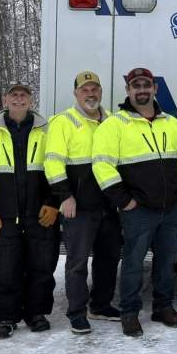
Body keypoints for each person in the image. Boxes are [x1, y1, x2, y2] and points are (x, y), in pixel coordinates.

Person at [92, 67, 177, 337]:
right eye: (135, 86)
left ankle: (163, 307)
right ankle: (129, 312)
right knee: (134, 263)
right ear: (128, 90)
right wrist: (123, 201)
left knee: (166, 261)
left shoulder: (171, 123)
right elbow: (102, 165)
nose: (141, 90)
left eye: (146, 85)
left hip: (171, 208)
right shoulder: (115, 124)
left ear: (155, 88)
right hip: (138, 211)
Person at [0, 84, 60, 339]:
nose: (19, 98)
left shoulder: (47, 130)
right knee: (4, 269)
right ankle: (6, 317)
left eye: (23, 95)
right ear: (5, 99)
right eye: (14, 95)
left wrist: (53, 201)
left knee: (41, 267)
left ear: (30, 100)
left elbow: (57, 168)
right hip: (3, 216)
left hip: (40, 213)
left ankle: (37, 314)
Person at [44, 71, 122, 334]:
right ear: (76, 93)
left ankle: (100, 304)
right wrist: (64, 196)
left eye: (95, 89)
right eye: (85, 90)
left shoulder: (112, 120)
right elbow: (53, 161)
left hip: (109, 204)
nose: (91, 94)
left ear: (101, 91)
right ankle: (77, 312)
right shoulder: (63, 121)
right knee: (77, 262)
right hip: (79, 205)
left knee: (109, 258)